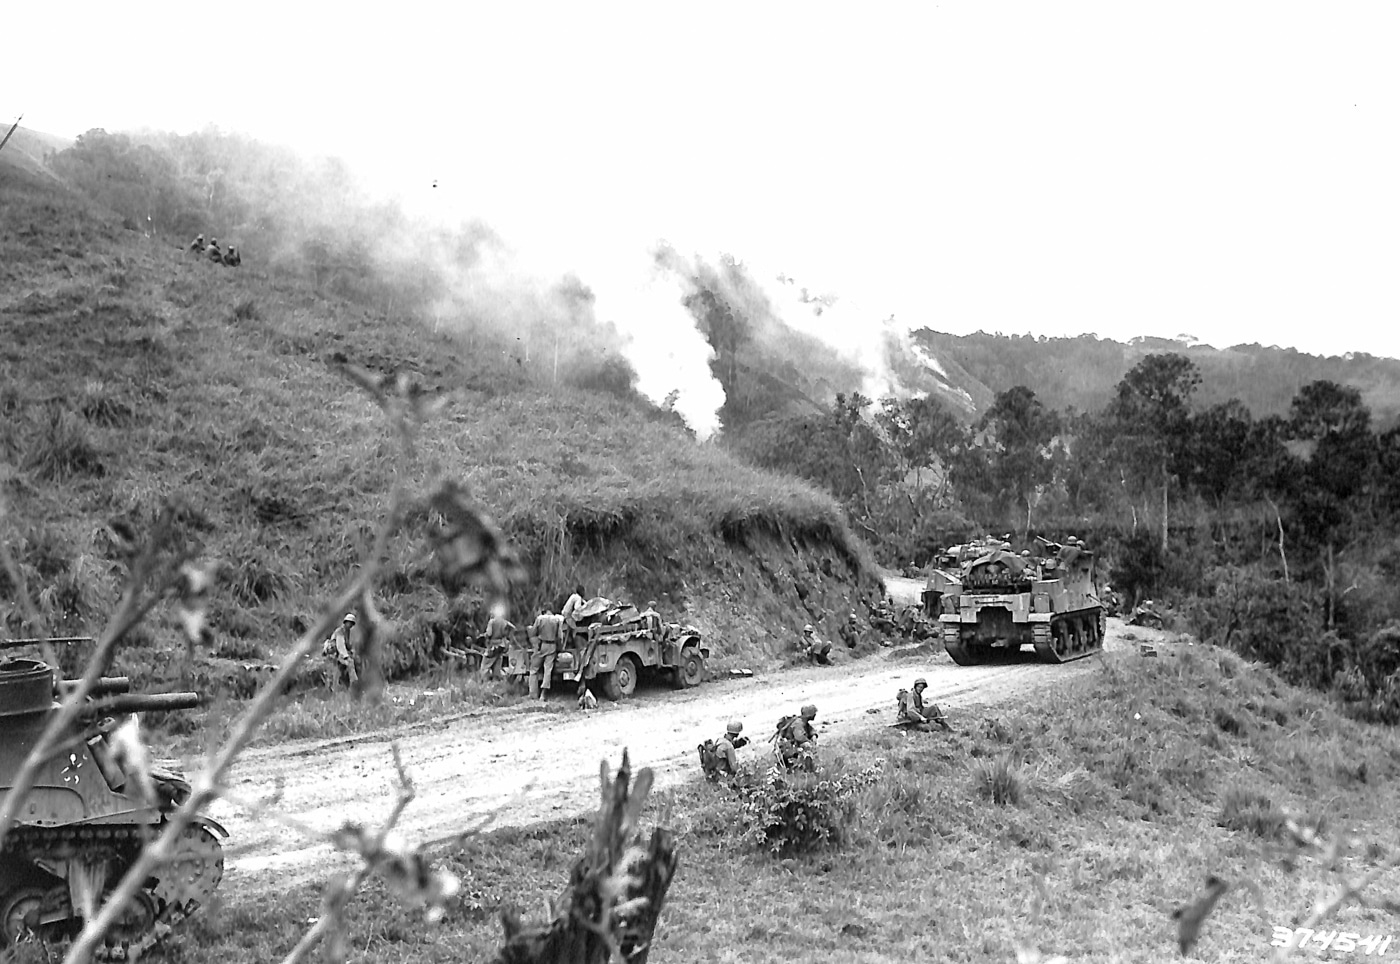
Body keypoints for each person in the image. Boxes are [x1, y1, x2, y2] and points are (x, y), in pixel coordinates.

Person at [528, 607, 565, 700]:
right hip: (552, 646)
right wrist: (560, 647)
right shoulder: (557, 619)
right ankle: (543, 695)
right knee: (547, 669)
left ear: (544, 611)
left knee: (534, 669)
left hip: (542, 645)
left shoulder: (540, 619)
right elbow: (560, 636)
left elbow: (533, 632)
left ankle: (533, 694)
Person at [775, 704, 818, 771]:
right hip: (789, 749)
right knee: (807, 748)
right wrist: (809, 743)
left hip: (792, 748)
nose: (815, 715)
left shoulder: (803, 722)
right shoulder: (798, 723)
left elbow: (810, 730)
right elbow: (799, 737)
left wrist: (814, 735)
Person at [322, 613, 359, 691]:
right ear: (345, 622)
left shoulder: (347, 632)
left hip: (339, 652)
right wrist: (345, 656)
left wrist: (351, 650)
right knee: (349, 662)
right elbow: (340, 645)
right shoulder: (340, 631)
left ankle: (347, 684)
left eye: (351, 623)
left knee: (344, 666)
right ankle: (354, 681)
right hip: (333, 651)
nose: (350, 625)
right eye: (349, 622)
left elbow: (347, 644)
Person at [479, 611, 515, 681]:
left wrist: (485, 635)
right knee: (497, 665)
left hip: (493, 645)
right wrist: (508, 639)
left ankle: (483, 680)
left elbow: (489, 633)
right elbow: (513, 628)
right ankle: (496, 681)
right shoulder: (505, 622)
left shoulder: (492, 622)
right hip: (501, 645)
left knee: (485, 665)